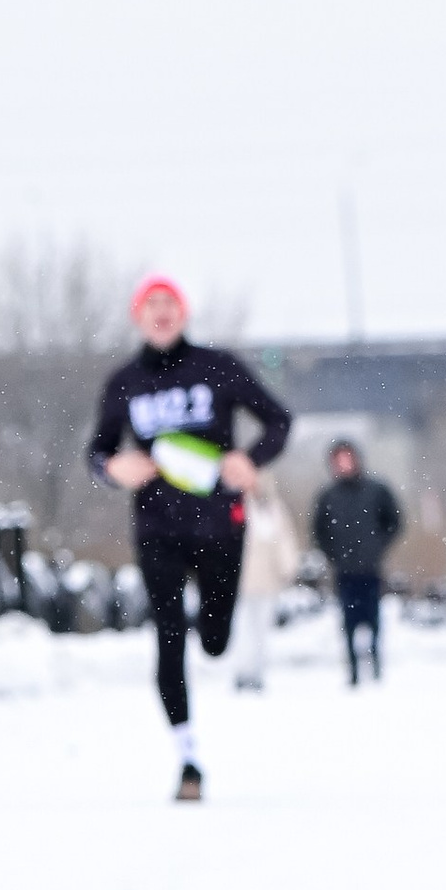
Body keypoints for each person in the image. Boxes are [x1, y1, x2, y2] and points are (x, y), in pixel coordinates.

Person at [89, 278, 291, 797]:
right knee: (168, 633)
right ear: (137, 316)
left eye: (169, 304)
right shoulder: (124, 383)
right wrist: (114, 467)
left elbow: (278, 420)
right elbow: (97, 451)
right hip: (158, 526)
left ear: (183, 313)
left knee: (216, 639)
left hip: (220, 522)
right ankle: (188, 760)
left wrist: (250, 459)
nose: (161, 312)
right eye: (150, 304)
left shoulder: (217, 367)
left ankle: (216, 627)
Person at [310, 438, 403, 684]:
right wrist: (333, 554)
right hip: (344, 569)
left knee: (373, 617)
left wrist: (378, 546)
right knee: (348, 620)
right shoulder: (328, 496)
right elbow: (319, 531)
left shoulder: (376, 490)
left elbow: (393, 521)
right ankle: (352, 668)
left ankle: (375, 664)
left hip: (370, 567)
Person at [229, 471, 301, 693]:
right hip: (240, 581)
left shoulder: (275, 511)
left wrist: (290, 567)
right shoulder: (237, 507)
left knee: (261, 630)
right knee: (241, 629)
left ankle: (257, 673)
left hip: (268, 580)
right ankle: (242, 672)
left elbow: (285, 541)